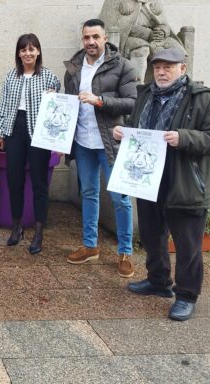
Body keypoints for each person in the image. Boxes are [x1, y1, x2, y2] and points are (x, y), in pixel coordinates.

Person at [114, 47, 210, 321]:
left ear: (183, 68)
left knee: (188, 244)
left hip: (185, 182)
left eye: (168, 66)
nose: (162, 71)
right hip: (147, 178)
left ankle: (187, 295)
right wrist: (123, 132)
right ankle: (158, 282)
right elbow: (139, 127)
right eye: (157, 67)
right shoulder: (145, 96)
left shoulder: (205, 101)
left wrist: (184, 138)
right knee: (152, 235)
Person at [64, 19, 138, 278]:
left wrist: (100, 101)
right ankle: (90, 246)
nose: (91, 42)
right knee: (89, 193)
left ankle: (125, 252)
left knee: (120, 198)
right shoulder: (74, 67)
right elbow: (70, 104)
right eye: (86, 37)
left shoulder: (122, 65)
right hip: (83, 142)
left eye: (95, 37)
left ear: (105, 38)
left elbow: (131, 102)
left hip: (110, 142)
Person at [0, 33, 60, 253]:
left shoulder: (49, 76)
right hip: (15, 129)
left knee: (40, 182)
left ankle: (39, 232)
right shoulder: (11, 76)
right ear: (19, 53)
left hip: (38, 131)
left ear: (38, 51)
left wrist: (54, 95)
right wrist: (1, 133)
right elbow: (3, 106)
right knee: (15, 179)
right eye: (23, 50)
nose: (27, 53)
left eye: (32, 49)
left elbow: (58, 107)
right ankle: (16, 226)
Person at [99, 0, 184, 82]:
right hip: (126, 39)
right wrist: (146, 33)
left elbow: (163, 22)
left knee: (176, 49)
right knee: (141, 49)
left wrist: (162, 31)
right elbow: (109, 25)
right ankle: (137, 87)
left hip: (154, 38)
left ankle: (176, 85)